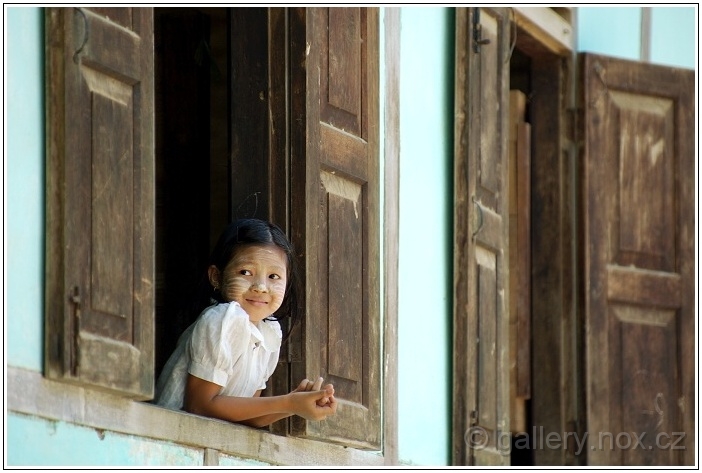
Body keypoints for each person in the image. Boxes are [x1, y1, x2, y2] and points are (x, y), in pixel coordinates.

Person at [155, 218, 337, 427]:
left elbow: (247, 414)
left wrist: (294, 405)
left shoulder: (268, 333)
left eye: (274, 276)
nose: (261, 286)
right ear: (216, 277)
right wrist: (288, 402)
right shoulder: (221, 319)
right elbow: (200, 406)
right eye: (245, 272)